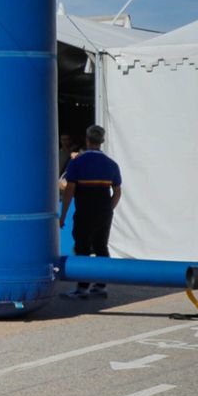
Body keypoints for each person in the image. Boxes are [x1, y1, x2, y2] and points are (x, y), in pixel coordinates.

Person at [59, 124, 123, 300]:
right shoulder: (112, 164)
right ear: (101, 142)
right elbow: (117, 192)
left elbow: (69, 191)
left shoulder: (77, 162)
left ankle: (82, 288)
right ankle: (101, 285)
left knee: (82, 247)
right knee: (102, 246)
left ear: (87, 140)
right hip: (103, 211)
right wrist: (108, 209)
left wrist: (63, 215)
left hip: (85, 210)